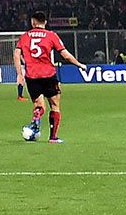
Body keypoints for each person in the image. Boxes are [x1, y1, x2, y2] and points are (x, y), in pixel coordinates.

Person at [15, 12, 80, 143]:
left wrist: (19, 74)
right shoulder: (51, 35)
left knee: (39, 105)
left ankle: (38, 114)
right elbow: (65, 55)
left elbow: (16, 55)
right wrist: (79, 64)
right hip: (48, 75)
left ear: (33, 22)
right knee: (55, 105)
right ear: (45, 22)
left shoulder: (25, 36)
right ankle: (53, 137)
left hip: (31, 76)